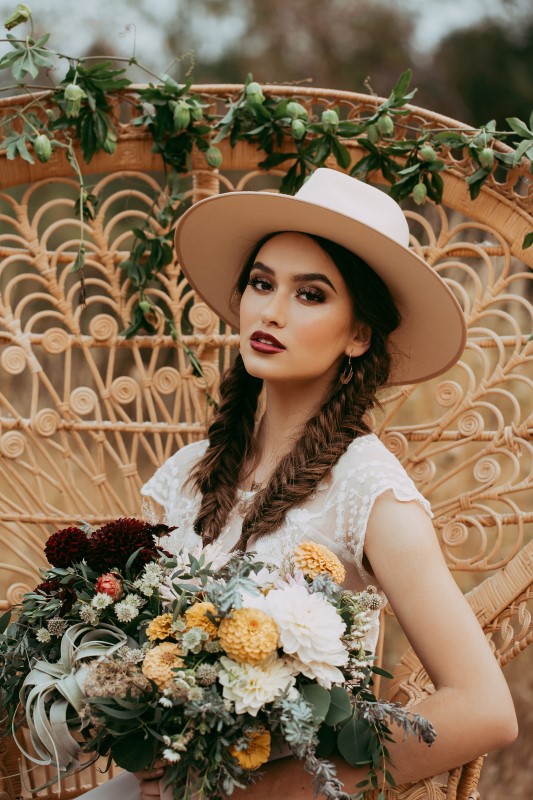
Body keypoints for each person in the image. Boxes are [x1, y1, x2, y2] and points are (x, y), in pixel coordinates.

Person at [82, 169, 518, 800]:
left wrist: (265, 790)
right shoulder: (186, 475)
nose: (273, 311)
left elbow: (484, 708)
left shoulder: (367, 489)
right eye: (262, 283)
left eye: (310, 295)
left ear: (359, 334)